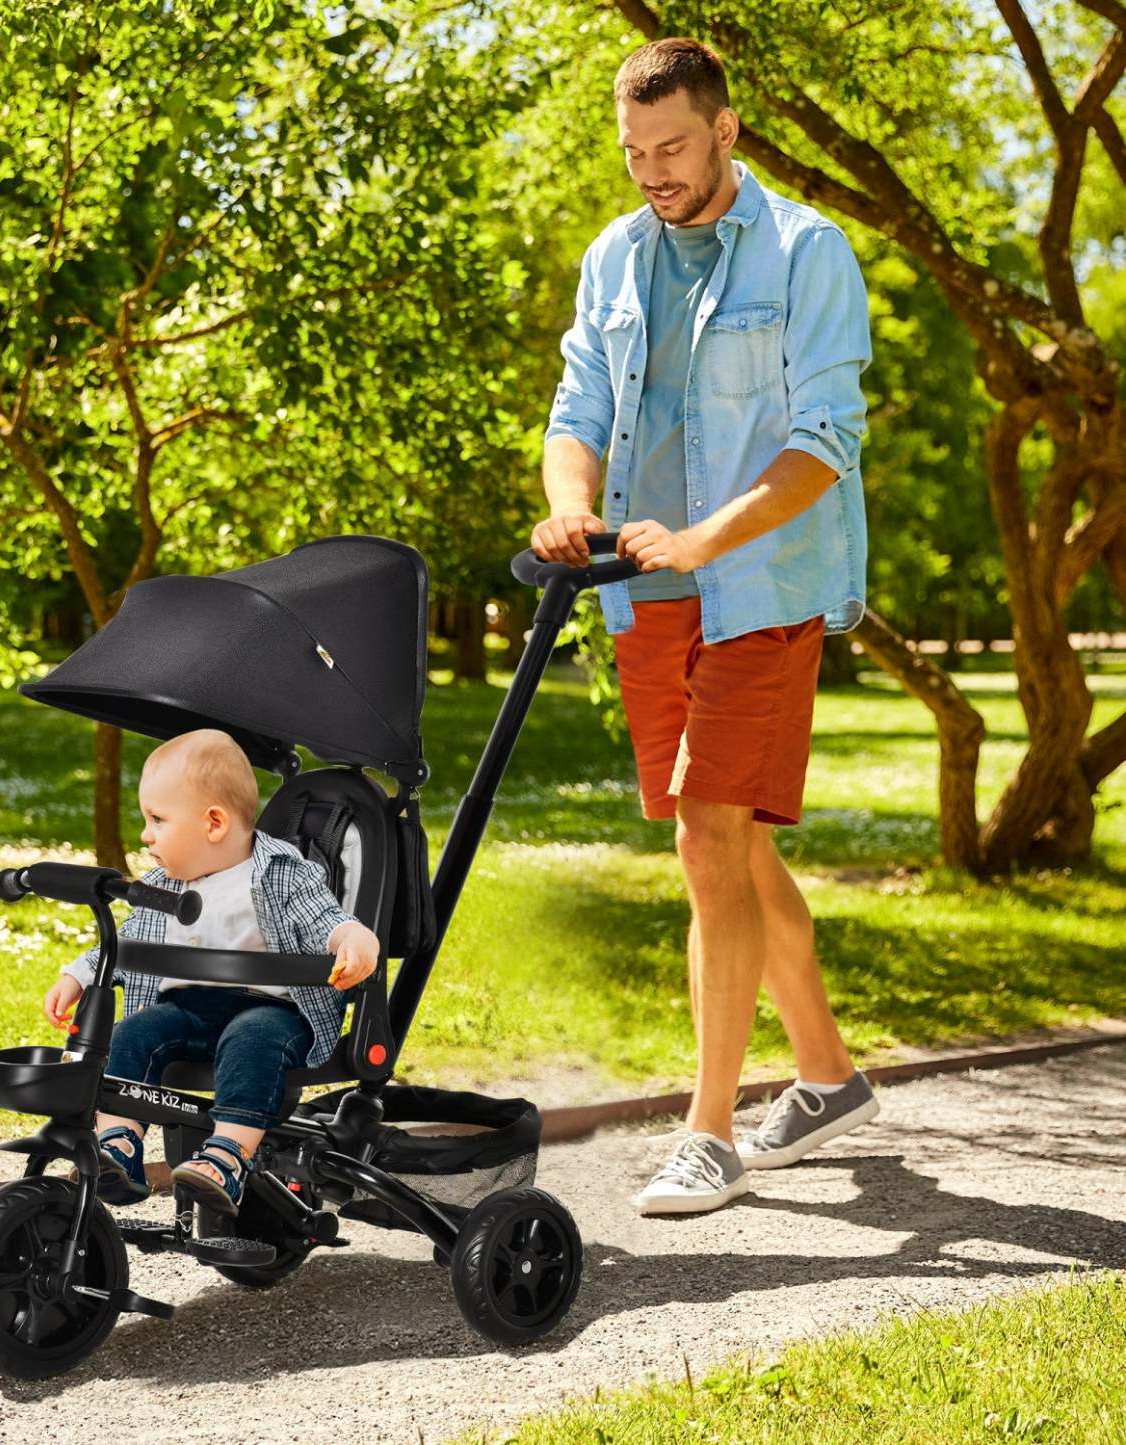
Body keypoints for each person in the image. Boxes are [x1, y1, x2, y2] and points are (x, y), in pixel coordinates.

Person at [533, 37, 879, 1215]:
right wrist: (570, 508)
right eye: (632, 154)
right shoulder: (616, 258)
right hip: (644, 595)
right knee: (727, 839)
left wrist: (700, 539)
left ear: (724, 130)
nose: (650, 173)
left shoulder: (803, 252)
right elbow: (578, 403)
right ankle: (825, 1074)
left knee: (704, 837)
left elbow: (824, 442)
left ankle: (709, 1129)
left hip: (759, 590)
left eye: (670, 147)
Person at [43, 729, 379, 1211]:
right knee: (130, 1035)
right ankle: (118, 1141)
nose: (145, 834)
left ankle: (228, 1155)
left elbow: (328, 921)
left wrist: (354, 940)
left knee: (252, 1038)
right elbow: (128, 940)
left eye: (157, 820)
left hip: (272, 1011)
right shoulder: (162, 885)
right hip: (189, 1009)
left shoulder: (282, 873)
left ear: (214, 823)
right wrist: (77, 975)